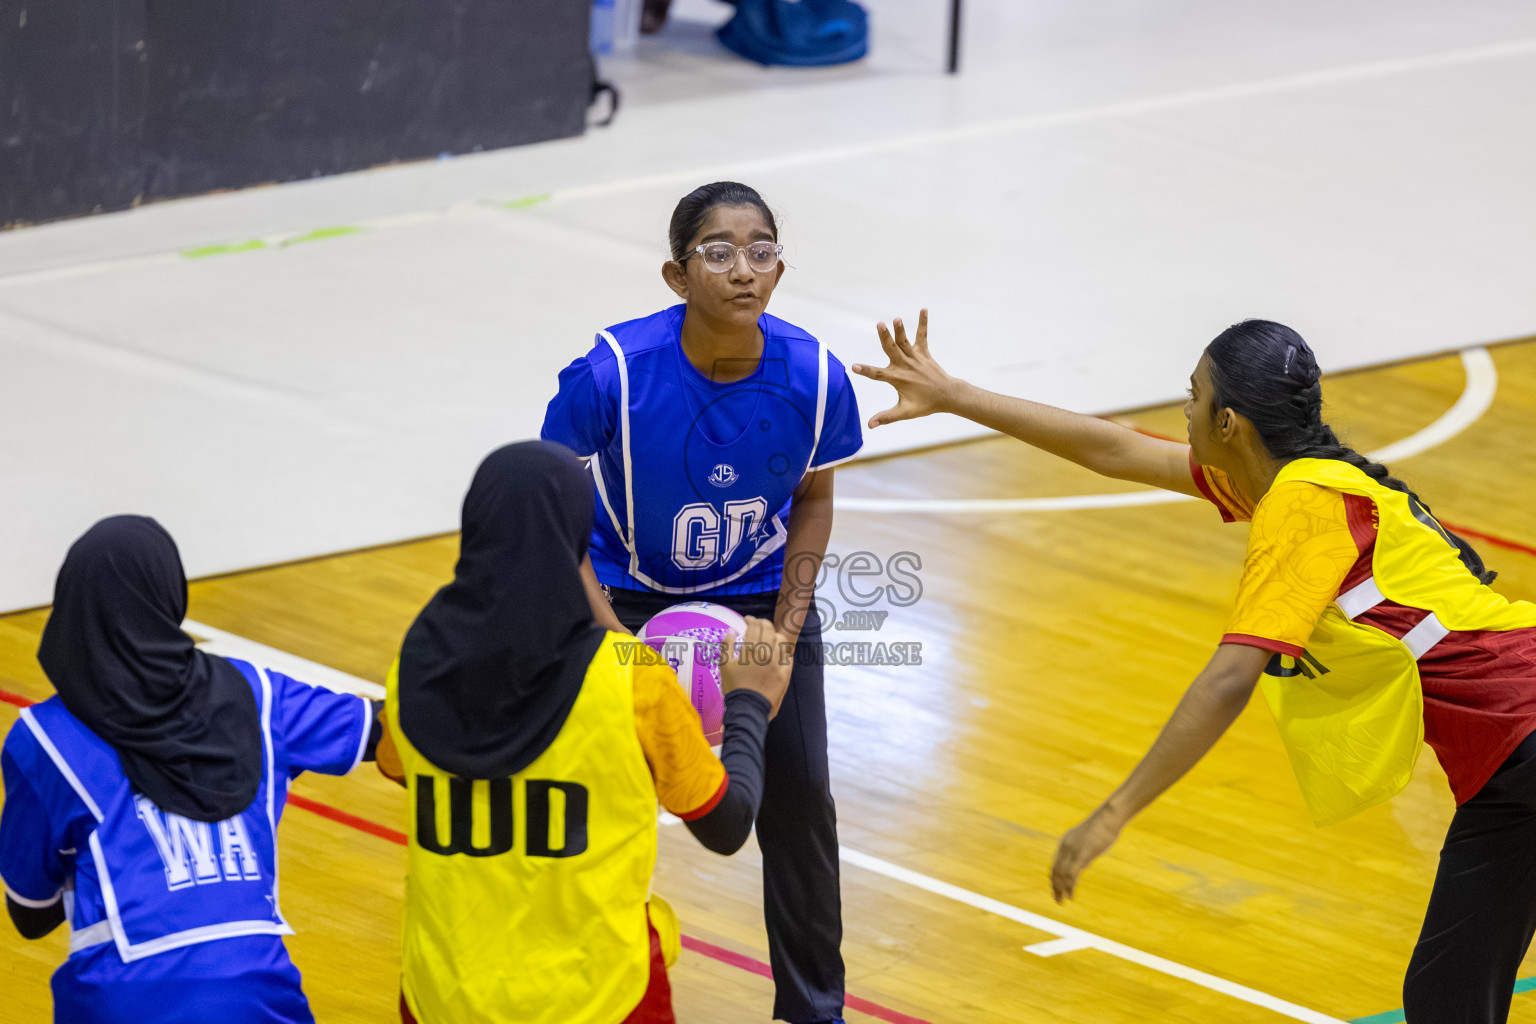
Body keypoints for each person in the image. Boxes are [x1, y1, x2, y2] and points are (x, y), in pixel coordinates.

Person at [853, 313, 1536, 1024]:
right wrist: (956, 395)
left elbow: (1229, 678)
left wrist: (1112, 814)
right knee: (1446, 1001)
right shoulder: (1287, 482)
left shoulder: (1303, 508)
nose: (1185, 408)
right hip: (1500, 772)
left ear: (1230, 423)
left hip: (1525, 731)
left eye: (1194, 393)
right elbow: (1114, 449)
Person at [540, 181, 864, 1024]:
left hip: (759, 596)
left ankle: (812, 1011)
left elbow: (815, 499)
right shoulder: (610, 373)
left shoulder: (817, 376)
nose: (743, 269)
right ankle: (580, 988)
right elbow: (548, 500)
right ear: (676, 275)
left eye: (761, 250)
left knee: (798, 805)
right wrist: (610, 635)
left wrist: (788, 630)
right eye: (718, 252)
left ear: (780, 268)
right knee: (599, 796)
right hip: (626, 600)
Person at [377, 440, 794, 1024]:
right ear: (574, 541)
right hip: (597, 997)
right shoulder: (634, 683)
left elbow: (399, 763)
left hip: (441, 996)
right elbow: (726, 824)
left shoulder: (414, 668)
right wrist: (749, 701)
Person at [0, 515, 382, 1024]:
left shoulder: (42, 738)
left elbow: (30, 912)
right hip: (259, 997)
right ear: (170, 594)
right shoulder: (258, 696)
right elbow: (380, 730)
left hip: (118, 1004)